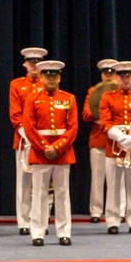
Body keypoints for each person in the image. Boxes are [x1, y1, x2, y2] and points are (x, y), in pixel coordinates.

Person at [23, 60, 78, 246]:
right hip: (40, 153)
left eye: (54, 75)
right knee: (39, 193)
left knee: (63, 193)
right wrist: (44, 146)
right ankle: (37, 232)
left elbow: (73, 127)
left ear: (60, 77)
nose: (51, 79)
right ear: (41, 77)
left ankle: (64, 232)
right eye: (47, 75)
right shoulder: (32, 98)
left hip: (63, 152)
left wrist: (58, 147)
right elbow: (28, 126)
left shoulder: (69, 98)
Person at [100, 61, 131, 235]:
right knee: (113, 185)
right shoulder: (107, 97)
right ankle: (112, 221)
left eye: (128, 75)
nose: (125, 79)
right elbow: (105, 122)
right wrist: (121, 137)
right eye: (122, 76)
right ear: (116, 78)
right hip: (113, 147)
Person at [9, 47, 47, 235]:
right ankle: (24, 221)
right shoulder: (17, 85)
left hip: (44, 141)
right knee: (24, 182)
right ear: (25, 64)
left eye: (37, 63)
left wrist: (41, 140)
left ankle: (42, 220)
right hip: (24, 139)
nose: (33, 66)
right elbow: (15, 115)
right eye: (30, 62)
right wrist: (29, 136)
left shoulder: (47, 85)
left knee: (44, 183)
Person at [83, 59, 117, 223]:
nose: (109, 76)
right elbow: (86, 114)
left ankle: (119, 210)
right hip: (98, 137)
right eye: (106, 73)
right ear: (102, 75)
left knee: (117, 178)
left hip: (117, 139)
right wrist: (100, 108)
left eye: (112, 73)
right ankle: (96, 211)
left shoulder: (122, 92)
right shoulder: (93, 91)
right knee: (98, 177)